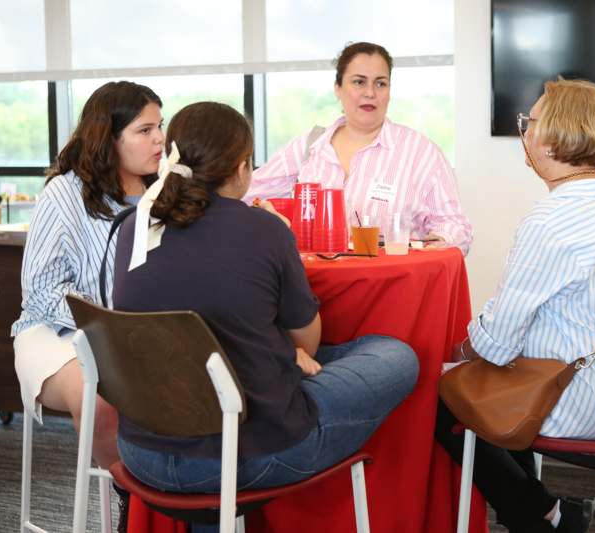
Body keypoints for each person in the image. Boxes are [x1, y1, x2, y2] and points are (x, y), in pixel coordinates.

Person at [112, 102, 419, 532]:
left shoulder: (134, 226)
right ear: (241, 167)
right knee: (394, 355)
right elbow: (308, 343)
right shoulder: (264, 229)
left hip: (141, 450)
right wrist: (287, 348)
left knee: (258, 366)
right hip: (246, 454)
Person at [435, 79, 595, 533]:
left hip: (581, 399)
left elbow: (496, 343)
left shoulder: (551, 219)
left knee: (441, 397)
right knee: (496, 387)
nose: (525, 132)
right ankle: (545, 514)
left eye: (530, 121)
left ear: (554, 135)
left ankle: (542, 518)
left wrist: (455, 354)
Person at [11, 81, 164, 529]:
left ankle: (173, 497)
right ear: (109, 137)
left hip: (143, 333)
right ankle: (133, 501)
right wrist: (104, 327)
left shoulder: (168, 191)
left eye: (161, 126)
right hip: (56, 332)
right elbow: (39, 288)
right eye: (145, 130)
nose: (160, 139)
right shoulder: (66, 193)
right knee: (100, 396)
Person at [245, 41, 473, 255]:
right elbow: (245, 193)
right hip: (315, 290)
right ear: (338, 88)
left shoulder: (421, 152)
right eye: (359, 82)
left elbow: (456, 227)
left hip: (390, 288)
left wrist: (439, 243)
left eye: (380, 83)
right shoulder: (309, 145)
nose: (370, 93)